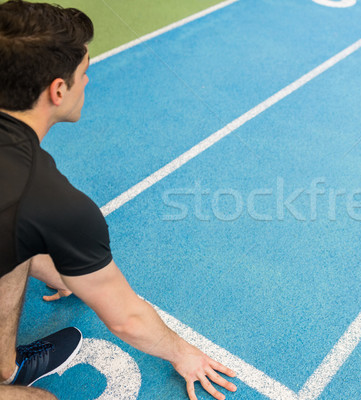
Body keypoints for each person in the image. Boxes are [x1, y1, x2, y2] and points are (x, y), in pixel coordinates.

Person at [0, 1, 237, 399]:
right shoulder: (51, 202)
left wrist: (58, 266)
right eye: (84, 74)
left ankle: (6, 365)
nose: (87, 82)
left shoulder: (27, 199)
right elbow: (126, 319)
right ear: (58, 90)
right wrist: (184, 353)